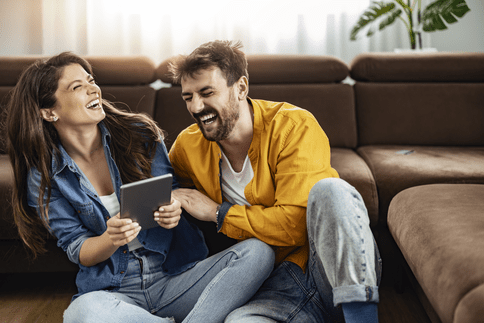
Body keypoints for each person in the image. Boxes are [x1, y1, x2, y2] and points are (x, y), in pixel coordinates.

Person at [5, 52, 275, 323]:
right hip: (117, 290)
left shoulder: (139, 134)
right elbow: (78, 249)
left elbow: (173, 194)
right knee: (81, 311)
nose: (93, 88)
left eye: (90, 80)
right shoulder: (43, 176)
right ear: (49, 112)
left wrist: (174, 210)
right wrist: (110, 238)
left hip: (177, 276)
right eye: (77, 87)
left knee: (258, 253)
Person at [167, 40, 382, 323]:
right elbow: (167, 192)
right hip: (269, 290)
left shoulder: (294, 126)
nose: (196, 106)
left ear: (241, 87)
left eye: (207, 93)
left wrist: (217, 213)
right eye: (187, 97)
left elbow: (293, 226)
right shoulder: (187, 146)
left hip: (324, 270)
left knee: (332, 190)